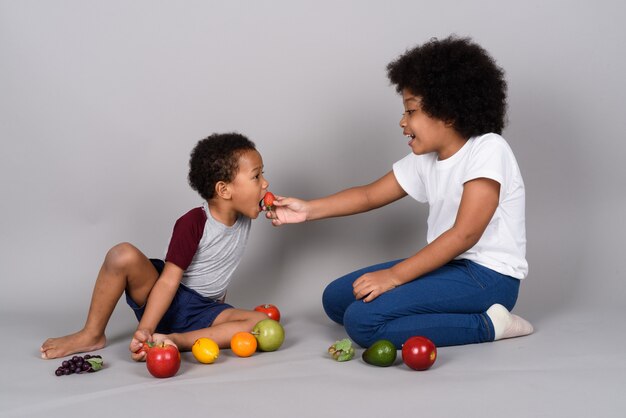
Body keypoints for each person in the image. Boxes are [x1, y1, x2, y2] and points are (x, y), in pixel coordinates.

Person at [268, 36, 534, 348]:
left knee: (362, 322)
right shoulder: (427, 159)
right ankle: (413, 316)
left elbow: (464, 235)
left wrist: (394, 276)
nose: (402, 121)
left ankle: (490, 324)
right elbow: (369, 195)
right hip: (449, 266)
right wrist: (308, 210)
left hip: (490, 279)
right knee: (337, 299)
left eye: (411, 111)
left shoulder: (489, 150)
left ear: (447, 113)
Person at [41, 133, 269, 360]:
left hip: (205, 310)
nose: (265, 183)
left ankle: (177, 341)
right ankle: (92, 334)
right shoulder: (194, 223)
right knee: (121, 254)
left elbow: (273, 209)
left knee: (261, 323)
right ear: (224, 190)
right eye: (256, 177)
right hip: (168, 298)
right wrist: (145, 330)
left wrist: (287, 209)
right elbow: (169, 281)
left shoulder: (246, 211)